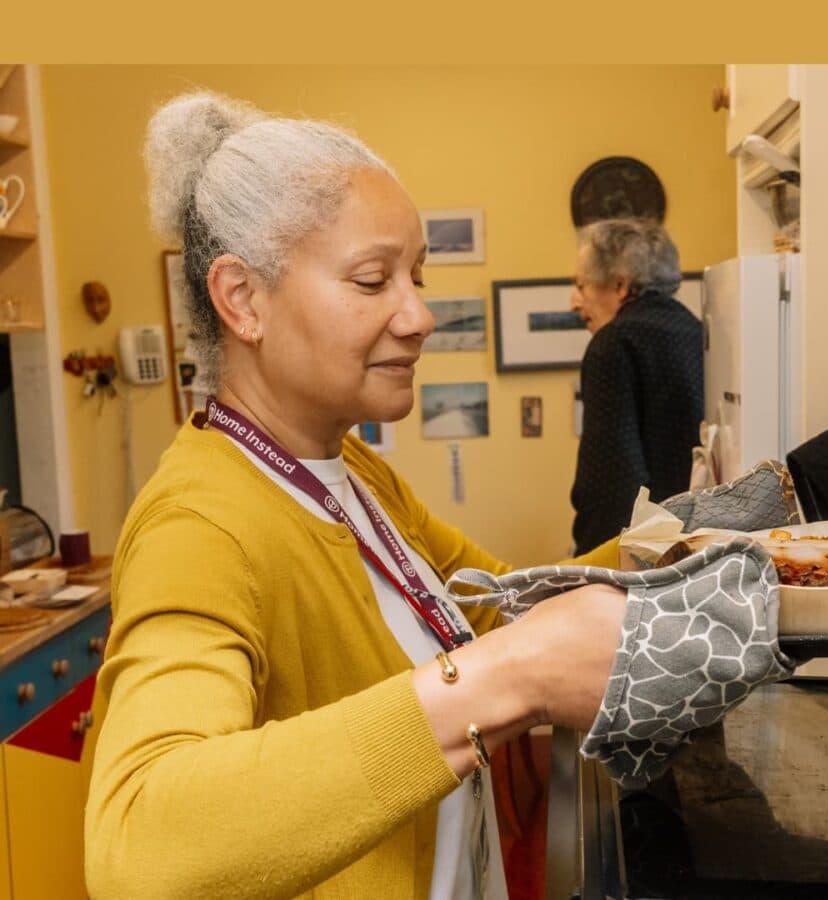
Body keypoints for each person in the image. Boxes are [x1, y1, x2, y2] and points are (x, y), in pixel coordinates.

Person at [84, 92, 627, 900]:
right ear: (242, 300)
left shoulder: (354, 473)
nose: (418, 315)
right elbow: (139, 838)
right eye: (373, 280)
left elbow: (505, 605)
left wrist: (702, 538)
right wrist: (502, 682)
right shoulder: (197, 526)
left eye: (415, 276)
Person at [569, 218, 704, 554]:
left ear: (619, 285)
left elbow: (611, 478)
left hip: (641, 552)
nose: (573, 303)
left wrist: (588, 568)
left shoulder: (613, 343)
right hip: (693, 538)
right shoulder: (694, 330)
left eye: (581, 286)